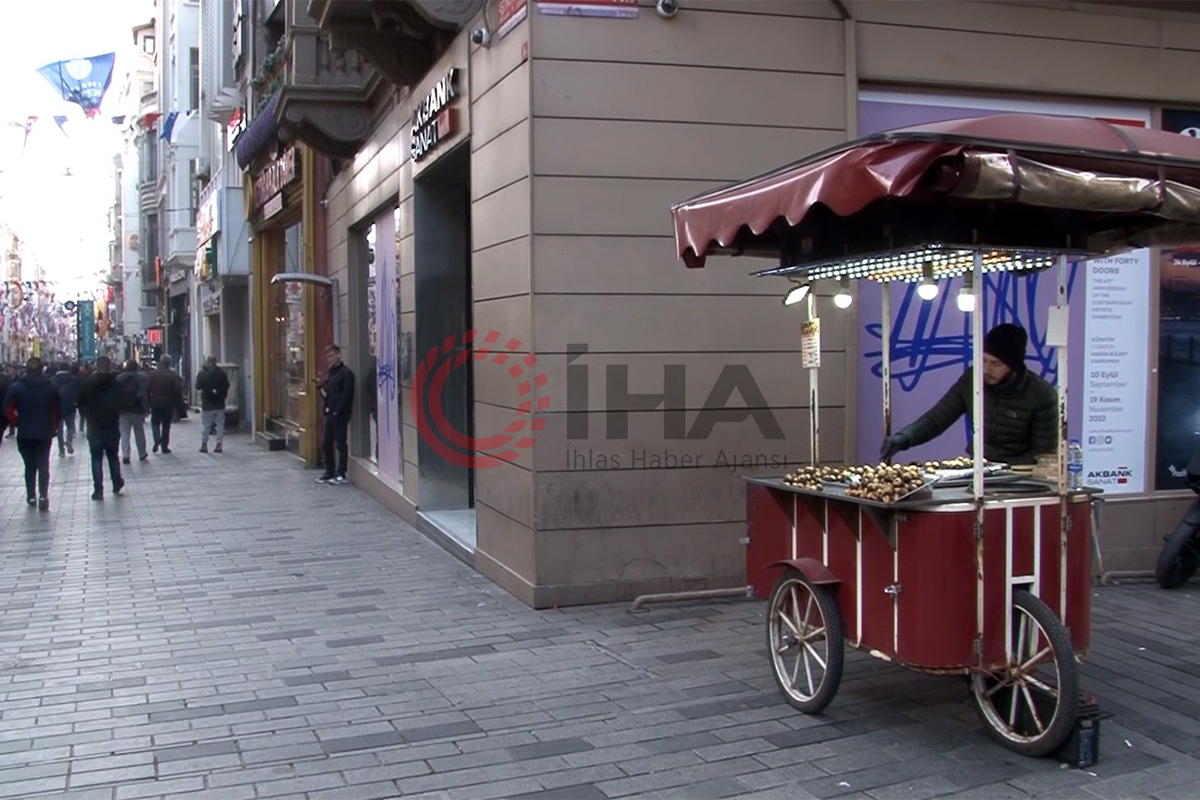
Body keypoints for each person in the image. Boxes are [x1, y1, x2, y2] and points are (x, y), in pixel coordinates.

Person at [880, 323, 1058, 466]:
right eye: (984, 360)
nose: (987, 370)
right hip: (978, 469)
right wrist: (904, 438)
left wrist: (1002, 469)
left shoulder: (1042, 395)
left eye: (996, 364)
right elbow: (937, 418)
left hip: (1022, 482)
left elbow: (1042, 455)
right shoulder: (972, 379)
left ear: (1014, 366)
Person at [3, 357, 61, 510]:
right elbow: (57, 409)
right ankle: (43, 495)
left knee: (29, 466)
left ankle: (31, 496)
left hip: (25, 432)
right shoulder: (50, 387)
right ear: (41, 369)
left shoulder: (16, 387)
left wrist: (17, 422)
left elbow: (7, 409)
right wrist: (52, 426)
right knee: (43, 464)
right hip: (44, 431)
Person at [77, 357, 125, 500]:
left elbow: (80, 402)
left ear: (97, 367)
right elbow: (122, 402)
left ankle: (98, 490)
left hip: (94, 425)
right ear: (109, 367)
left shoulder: (88, 384)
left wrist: (87, 413)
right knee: (113, 456)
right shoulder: (116, 384)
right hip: (111, 424)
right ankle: (116, 483)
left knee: (96, 458)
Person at [315, 344, 354, 485]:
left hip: (340, 414)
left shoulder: (346, 373)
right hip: (330, 413)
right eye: (327, 357)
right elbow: (327, 395)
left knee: (340, 443)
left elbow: (347, 395)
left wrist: (338, 410)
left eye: (331, 356)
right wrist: (320, 388)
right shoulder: (331, 373)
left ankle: (341, 473)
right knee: (326, 443)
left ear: (338, 355)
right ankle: (329, 471)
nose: (329, 360)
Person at [148, 355, 184, 454]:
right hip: (168, 402)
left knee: (155, 423)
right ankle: (164, 446)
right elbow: (177, 389)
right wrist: (177, 404)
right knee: (166, 425)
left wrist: (148, 402)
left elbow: (148, 388)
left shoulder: (152, 374)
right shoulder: (172, 375)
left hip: (155, 402)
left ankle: (157, 439)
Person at [116, 359, 150, 464]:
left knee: (124, 433)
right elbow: (144, 394)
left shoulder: (119, 378)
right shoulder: (141, 378)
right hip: (137, 409)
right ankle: (142, 453)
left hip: (122, 410)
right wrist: (146, 409)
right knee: (139, 431)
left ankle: (126, 455)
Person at [196, 356, 229, 453]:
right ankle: (219, 445)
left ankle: (204, 444)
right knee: (220, 425)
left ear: (207, 362)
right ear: (215, 362)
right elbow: (227, 385)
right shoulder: (222, 373)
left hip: (207, 404)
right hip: (220, 404)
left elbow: (198, 386)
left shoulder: (202, 374)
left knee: (206, 425)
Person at [51, 362, 82, 457]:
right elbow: (78, 392)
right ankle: (69, 439)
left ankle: (61, 450)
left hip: (57, 407)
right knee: (70, 426)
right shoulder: (73, 379)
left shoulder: (53, 380)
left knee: (59, 429)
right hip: (70, 406)